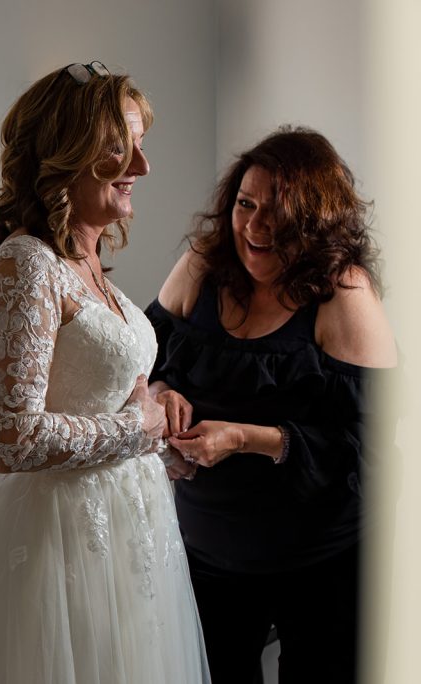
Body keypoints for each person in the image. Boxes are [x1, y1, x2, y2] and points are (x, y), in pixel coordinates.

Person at [0, 62, 210, 684]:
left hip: (130, 533)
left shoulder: (92, 268)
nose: (143, 168)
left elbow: (105, 395)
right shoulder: (27, 264)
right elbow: (8, 437)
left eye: (140, 147)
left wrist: (160, 419)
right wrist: (138, 427)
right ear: (66, 155)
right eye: (120, 149)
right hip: (56, 542)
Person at [145, 127, 396, 683]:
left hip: (320, 566)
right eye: (244, 204)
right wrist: (162, 397)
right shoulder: (202, 267)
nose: (254, 227)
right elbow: (139, 362)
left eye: (276, 212)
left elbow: (369, 452)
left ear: (315, 218)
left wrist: (245, 438)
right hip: (206, 558)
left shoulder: (343, 294)